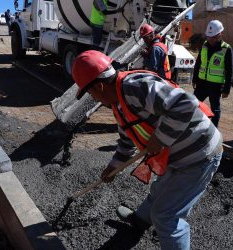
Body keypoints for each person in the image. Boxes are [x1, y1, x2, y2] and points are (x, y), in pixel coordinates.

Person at [72, 50, 223, 250]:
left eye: (91, 94)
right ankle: (140, 220)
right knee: (159, 190)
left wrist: (160, 138)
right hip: (176, 155)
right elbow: (127, 139)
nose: (94, 99)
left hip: (199, 155)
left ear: (99, 86)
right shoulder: (118, 103)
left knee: (166, 215)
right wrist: (114, 166)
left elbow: (185, 104)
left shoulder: (136, 87)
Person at [192, 20, 233, 128]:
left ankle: (214, 130)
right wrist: (194, 78)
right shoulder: (205, 45)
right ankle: (191, 126)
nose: (210, 39)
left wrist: (227, 89)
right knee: (192, 105)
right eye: (209, 37)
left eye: (213, 37)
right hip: (201, 83)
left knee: (215, 109)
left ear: (220, 34)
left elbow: (230, 71)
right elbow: (198, 63)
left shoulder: (226, 49)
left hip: (216, 86)